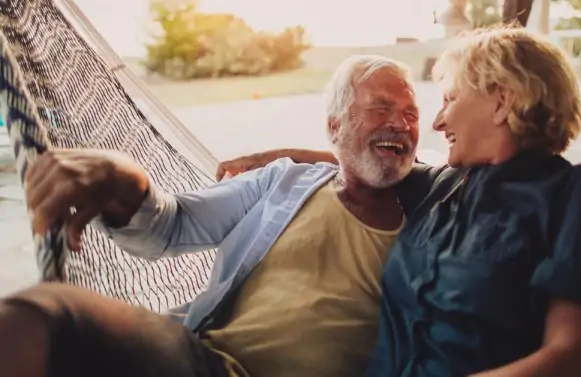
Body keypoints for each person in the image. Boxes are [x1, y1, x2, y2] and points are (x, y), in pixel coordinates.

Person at [220, 27, 581, 377]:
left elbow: (579, 354)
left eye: (450, 99)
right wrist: (273, 157)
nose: (439, 121)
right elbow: (367, 156)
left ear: (502, 102)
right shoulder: (438, 187)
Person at [0, 55, 421, 377]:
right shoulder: (281, 182)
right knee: (41, 318)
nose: (400, 124)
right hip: (208, 363)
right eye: (381, 109)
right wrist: (124, 177)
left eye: (410, 114)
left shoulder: (440, 211)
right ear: (334, 127)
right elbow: (170, 226)